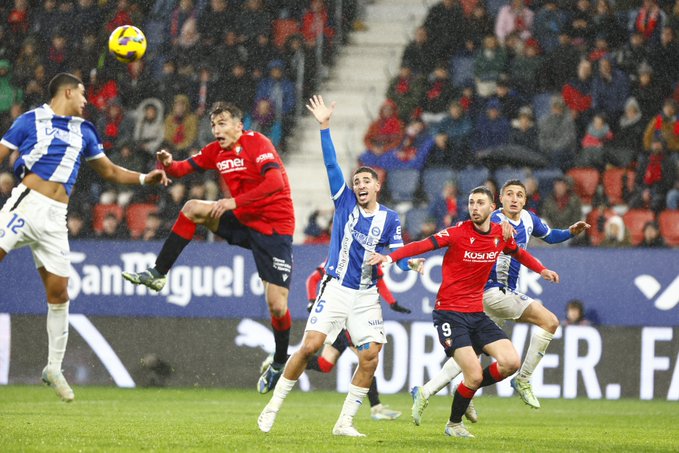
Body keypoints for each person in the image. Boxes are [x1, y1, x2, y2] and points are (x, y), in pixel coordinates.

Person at [258, 95, 424, 437]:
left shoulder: (390, 219)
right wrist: (324, 126)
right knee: (310, 347)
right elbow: (332, 164)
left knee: (371, 357)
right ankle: (272, 406)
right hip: (335, 289)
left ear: (378, 186)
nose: (360, 185)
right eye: (357, 182)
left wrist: (411, 265)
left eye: (367, 181)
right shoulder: (344, 201)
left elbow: (397, 254)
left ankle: (344, 422)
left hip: (366, 295)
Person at [0, 72, 169, 402]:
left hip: (55, 219)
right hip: (25, 205)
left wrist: (144, 178)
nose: (86, 100)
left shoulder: (85, 130)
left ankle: (53, 367)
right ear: (66, 91)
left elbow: (108, 170)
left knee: (60, 293)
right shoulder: (30, 120)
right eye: (81, 94)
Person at [122, 102, 295, 395]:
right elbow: (180, 169)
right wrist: (166, 163)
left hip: (273, 228)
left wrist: (233, 202)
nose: (217, 130)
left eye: (224, 123)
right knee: (191, 208)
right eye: (214, 125)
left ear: (240, 125)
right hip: (242, 221)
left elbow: (275, 182)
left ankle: (279, 361)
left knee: (277, 305)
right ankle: (158, 272)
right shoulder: (215, 151)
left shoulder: (258, 143)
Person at [368, 186, 561, 438]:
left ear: (493, 209)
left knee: (510, 363)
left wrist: (541, 269)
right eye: (471, 203)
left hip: (476, 314)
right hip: (449, 313)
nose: (474, 207)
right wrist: (390, 258)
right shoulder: (457, 233)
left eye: (480, 203)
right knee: (473, 373)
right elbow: (422, 245)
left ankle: (456, 392)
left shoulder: (499, 235)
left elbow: (519, 253)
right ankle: (454, 424)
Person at [408, 179, 590, 427]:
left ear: (525, 200)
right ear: (500, 200)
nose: (514, 199)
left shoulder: (528, 219)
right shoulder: (489, 220)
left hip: (487, 300)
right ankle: (523, 379)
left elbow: (550, 236)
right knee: (549, 321)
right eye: (509, 195)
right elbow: (471, 230)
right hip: (491, 292)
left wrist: (570, 231)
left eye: (519, 195)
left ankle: (428, 391)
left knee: (472, 355)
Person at [285, 259, 411, 421]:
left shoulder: (371, 258)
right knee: (367, 360)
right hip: (342, 321)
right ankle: (376, 408)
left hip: (350, 320)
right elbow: (313, 279)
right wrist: (312, 300)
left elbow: (379, 281)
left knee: (325, 364)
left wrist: (392, 303)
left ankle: (281, 359)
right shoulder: (339, 258)